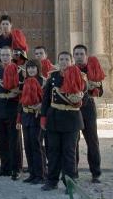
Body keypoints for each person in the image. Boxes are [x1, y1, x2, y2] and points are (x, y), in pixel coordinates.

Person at [41, 51, 87, 192]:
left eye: (67, 59)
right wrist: (43, 118)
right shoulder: (52, 77)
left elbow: (85, 98)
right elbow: (46, 99)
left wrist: (78, 100)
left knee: (69, 152)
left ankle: (70, 183)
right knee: (53, 151)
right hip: (54, 118)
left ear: (72, 62)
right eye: (61, 59)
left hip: (71, 120)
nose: (64, 62)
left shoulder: (80, 76)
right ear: (58, 61)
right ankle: (52, 181)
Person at [0, 46, 24, 180]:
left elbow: (23, 91)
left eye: (7, 55)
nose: (5, 57)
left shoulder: (19, 70)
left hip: (12, 108)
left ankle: (16, 168)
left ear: (12, 56)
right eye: (3, 55)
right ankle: (5, 167)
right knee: (1, 140)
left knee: (14, 141)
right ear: (0, 56)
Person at [73, 44, 103, 183]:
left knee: (92, 142)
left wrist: (93, 87)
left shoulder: (93, 70)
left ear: (86, 56)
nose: (79, 57)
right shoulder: (70, 70)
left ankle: (96, 173)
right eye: (76, 54)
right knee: (73, 142)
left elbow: (100, 92)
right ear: (73, 56)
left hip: (88, 109)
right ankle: (73, 172)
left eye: (81, 54)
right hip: (73, 110)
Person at [18, 59, 46, 184]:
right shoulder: (25, 81)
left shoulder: (44, 82)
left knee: (36, 145)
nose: (31, 70)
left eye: (33, 67)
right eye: (29, 68)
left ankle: (41, 175)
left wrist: (41, 105)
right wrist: (19, 118)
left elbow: (47, 99)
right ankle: (32, 173)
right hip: (26, 116)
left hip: (37, 117)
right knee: (28, 145)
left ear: (38, 68)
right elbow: (21, 101)